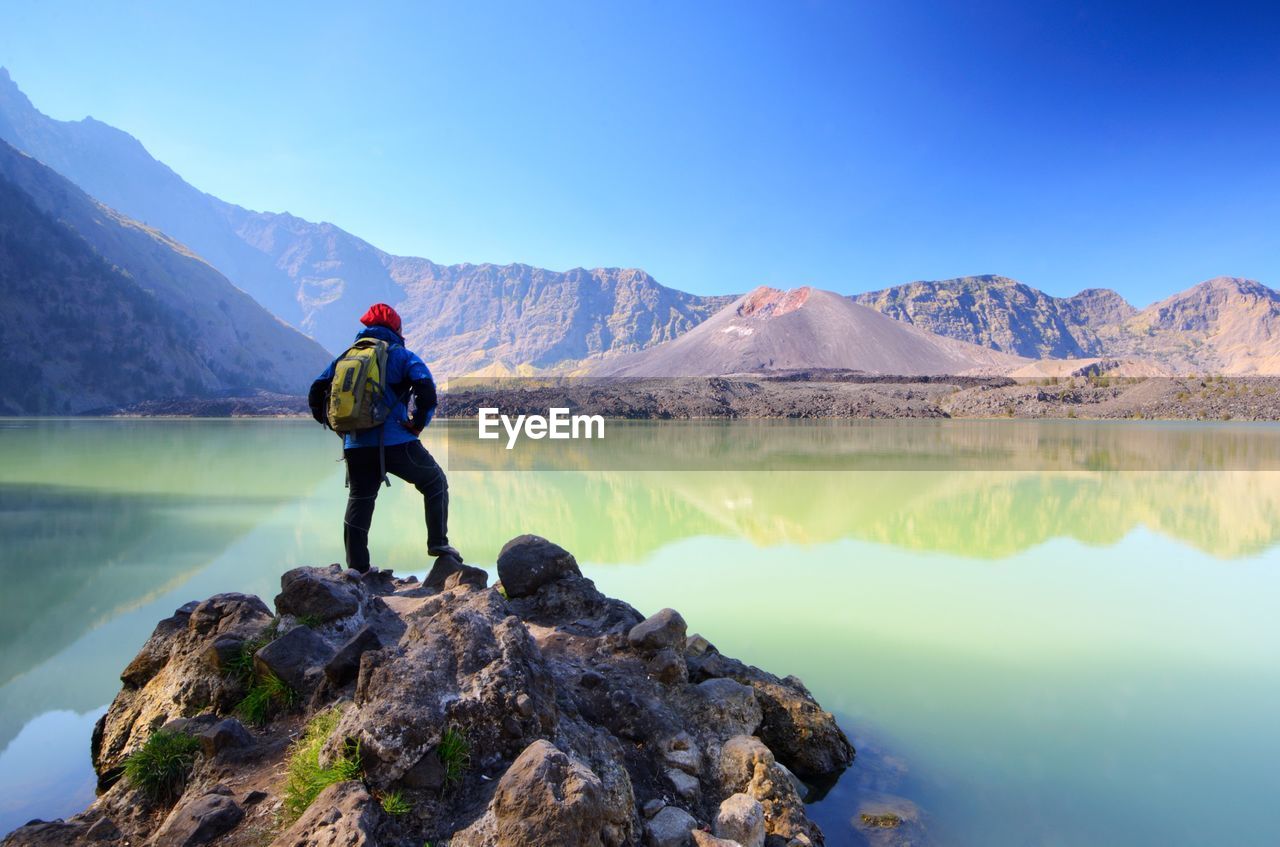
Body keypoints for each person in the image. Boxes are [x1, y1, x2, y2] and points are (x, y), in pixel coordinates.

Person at [308, 303, 461, 572]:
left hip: (355, 444)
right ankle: (438, 542)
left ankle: (358, 569)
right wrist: (417, 425)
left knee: (360, 499)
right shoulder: (402, 355)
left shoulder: (346, 357)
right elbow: (427, 392)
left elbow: (316, 391)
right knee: (435, 482)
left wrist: (338, 429)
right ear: (396, 328)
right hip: (397, 442)